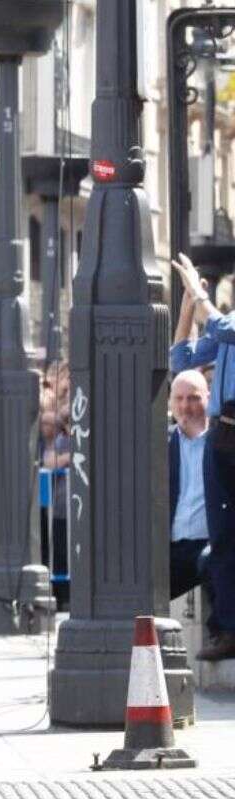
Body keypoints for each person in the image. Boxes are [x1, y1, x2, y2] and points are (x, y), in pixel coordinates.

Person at [169, 251, 235, 661]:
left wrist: (199, 295)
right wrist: (186, 304)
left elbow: (224, 329)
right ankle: (227, 629)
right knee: (224, 536)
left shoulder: (228, 325)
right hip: (225, 437)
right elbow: (183, 359)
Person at [169, 370, 211, 603]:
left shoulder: (222, 444)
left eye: (193, 398)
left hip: (210, 546)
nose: (185, 406)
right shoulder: (159, 444)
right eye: (179, 398)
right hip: (169, 548)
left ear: (208, 398)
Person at [37, 409, 72, 608]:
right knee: (59, 552)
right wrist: (69, 455)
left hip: (78, 508)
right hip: (60, 507)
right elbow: (49, 462)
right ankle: (62, 596)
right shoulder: (61, 441)